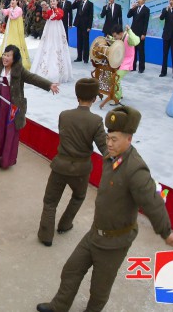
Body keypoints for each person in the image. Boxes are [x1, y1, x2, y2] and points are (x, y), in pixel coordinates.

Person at [37, 106, 173, 312]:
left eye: (114, 140)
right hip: (95, 233)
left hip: (114, 242)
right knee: (71, 269)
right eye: (108, 138)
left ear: (129, 139)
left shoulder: (135, 169)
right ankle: (59, 306)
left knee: (99, 289)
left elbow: (152, 201)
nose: (108, 144)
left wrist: (165, 232)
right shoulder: (111, 157)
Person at [38, 79, 107, 247]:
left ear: (77, 97)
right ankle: (65, 224)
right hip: (81, 169)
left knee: (50, 202)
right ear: (94, 99)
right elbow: (104, 147)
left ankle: (46, 235)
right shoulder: (96, 120)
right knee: (78, 196)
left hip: (60, 166)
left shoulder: (64, 115)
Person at [0, 45, 59, 169]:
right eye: (4, 54)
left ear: (14, 59)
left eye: (8, 55)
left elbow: (33, 78)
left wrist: (49, 85)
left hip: (12, 107)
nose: (5, 57)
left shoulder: (19, 70)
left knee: (9, 131)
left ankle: (5, 160)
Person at [31, 0, 73, 84]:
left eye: (54, 1)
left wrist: (54, 10)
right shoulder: (49, 11)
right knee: (48, 45)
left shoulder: (60, 10)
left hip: (58, 29)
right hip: (49, 29)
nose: (52, 2)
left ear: (57, 2)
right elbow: (45, 16)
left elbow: (59, 16)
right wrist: (44, 10)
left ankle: (60, 72)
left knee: (58, 46)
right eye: (51, 1)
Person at [0, 0, 31, 69]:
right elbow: (5, 11)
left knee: (16, 41)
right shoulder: (11, 9)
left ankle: (16, 59)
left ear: (17, 1)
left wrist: (9, 11)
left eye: (13, 0)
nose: (12, 2)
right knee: (8, 40)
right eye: (11, 0)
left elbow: (14, 16)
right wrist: (2, 9)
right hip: (10, 28)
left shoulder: (19, 9)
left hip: (16, 28)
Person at [126, 0, 149, 73]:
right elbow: (128, 16)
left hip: (140, 33)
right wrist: (132, 8)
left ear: (144, 0)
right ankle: (133, 66)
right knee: (133, 50)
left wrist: (144, 34)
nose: (138, 0)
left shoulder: (146, 10)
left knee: (141, 50)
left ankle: (141, 68)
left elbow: (146, 23)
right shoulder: (135, 9)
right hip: (133, 32)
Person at [72, 0, 94, 64]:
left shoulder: (90, 4)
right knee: (79, 41)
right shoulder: (79, 2)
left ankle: (85, 58)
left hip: (86, 25)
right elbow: (72, 7)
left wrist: (89, 27)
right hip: (79, 24)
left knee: (85, 42)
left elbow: (91, 16)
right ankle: (79, 57)